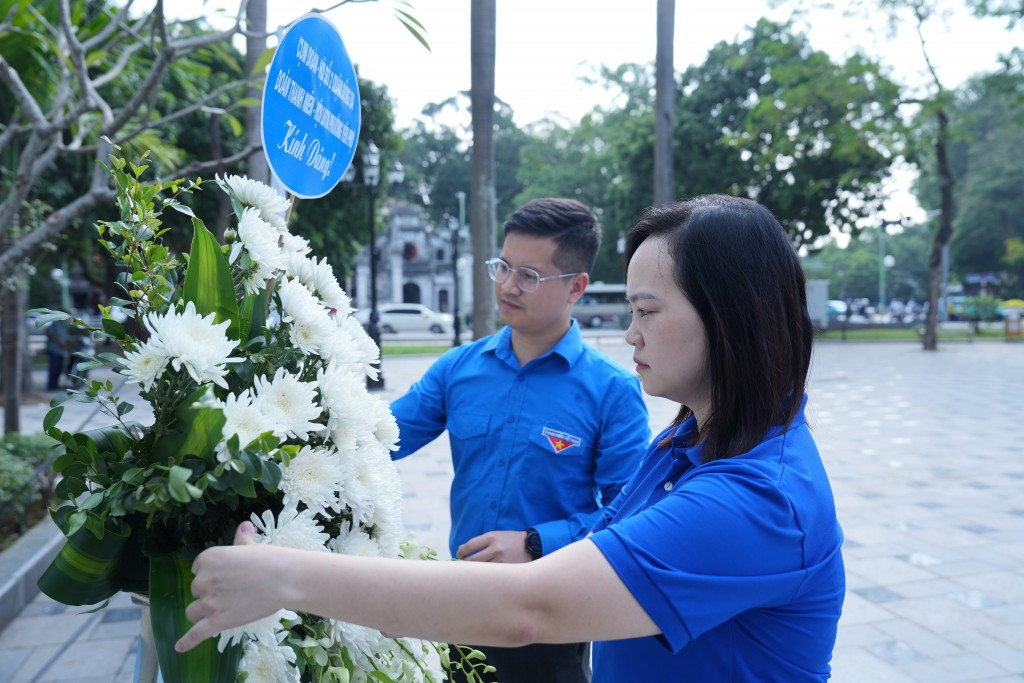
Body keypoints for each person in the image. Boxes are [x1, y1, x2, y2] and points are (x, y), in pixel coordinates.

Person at [177, 195, 846, 682]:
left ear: (731, 317)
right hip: (480, 604)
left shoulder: (757, 498)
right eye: (504, 266)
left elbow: (532, 606)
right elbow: (378, 436)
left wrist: (288, 576)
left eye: (645, 310)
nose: (630, 332)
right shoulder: (687, 443)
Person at [387, 197, 651, 682]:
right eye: (502, 266)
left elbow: (630, 516)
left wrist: (535, 543)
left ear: (576, 286)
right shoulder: (458, 370)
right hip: (459, 610)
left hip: (550, 624)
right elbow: (378, 438)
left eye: (528, 275)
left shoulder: (611, 391)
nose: (507, 286)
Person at [45, 316, 70, 391]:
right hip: (54, 349)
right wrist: (59, 341)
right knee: (54, 368)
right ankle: (51, 386)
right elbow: (50, 333)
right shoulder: (55, 324)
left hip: (61, 351)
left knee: (59, 368)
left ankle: (55, 385)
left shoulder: (65, 325)